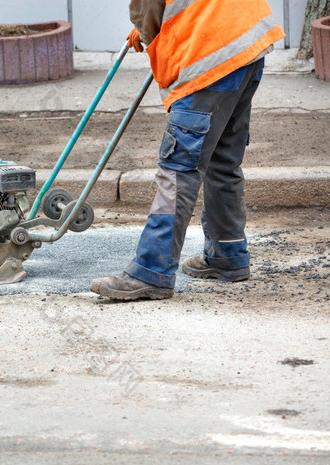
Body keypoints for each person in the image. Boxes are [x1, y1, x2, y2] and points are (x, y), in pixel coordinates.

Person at [90, 0, 285, 300]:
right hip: (247, 41)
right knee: (222, 158)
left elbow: (147, 10)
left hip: (209, 53)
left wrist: (144, 32)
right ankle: (226, 255)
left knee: (179, 169)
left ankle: (150, 271)